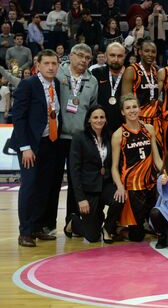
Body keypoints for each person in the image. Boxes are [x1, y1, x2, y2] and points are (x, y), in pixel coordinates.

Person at [10, 50, 63, 247]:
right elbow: (18, 117)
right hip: (30, 145)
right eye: (47, 63)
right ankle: (25, 232)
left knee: (44, 187)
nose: (51, 67)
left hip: (51, 142)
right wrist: (25, 147)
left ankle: (37, 227)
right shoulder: (28, 84)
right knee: (30, 186)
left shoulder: (55, 84)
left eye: (54, 63)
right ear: (37, 65)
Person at [45, 43, 98, 237]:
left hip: (79, 139)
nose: (84, 60)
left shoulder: (92, 81)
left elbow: (92, 110)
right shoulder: (58, 74)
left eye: (87, 58)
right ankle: (48, 224)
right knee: (53, 181)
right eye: (80, 56)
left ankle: (72, 222)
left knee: (77, 183)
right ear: (71, 55)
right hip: (57, 137)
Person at [65, 105, 123, 243]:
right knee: (92, 237)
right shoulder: (79, 137)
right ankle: (73, 222)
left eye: (102, 117)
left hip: (106, 185)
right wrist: (81, 199)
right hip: (88, 189)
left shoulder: (110, 136)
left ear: (106, 120)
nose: (99, 120)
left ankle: (107, 229)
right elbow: (74, 170)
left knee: (120, 198)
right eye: (95, 117)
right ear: (89, 120)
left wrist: (119, 185)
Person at [111, 94, 163, 242]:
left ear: (140, 109)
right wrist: (120, 187)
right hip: (132, 187)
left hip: (150, 184)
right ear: (122, 112)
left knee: (157, 225)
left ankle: (145, 224)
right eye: (128, 108)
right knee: (137, 236)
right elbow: (114, 167)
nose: (132, 110)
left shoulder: (149, 129)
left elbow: (157, 159)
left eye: (134, 107)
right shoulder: (118, 134)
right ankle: (118, 229)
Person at [121, 40, 161, 148]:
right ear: (140, 52)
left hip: (156, 122)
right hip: (139, 120)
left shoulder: (157, 71)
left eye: (153, 52)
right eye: (147, 51)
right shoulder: (131, 70)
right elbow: (125, 101)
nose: (150, 54)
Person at [92, 42, 125, 134]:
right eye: (112, 55)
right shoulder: (96, 73)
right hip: (101, 127)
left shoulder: (130, 75)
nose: (116, 59)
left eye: (120, 56)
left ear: (124, 56)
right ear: (106, 56)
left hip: (124, 127)